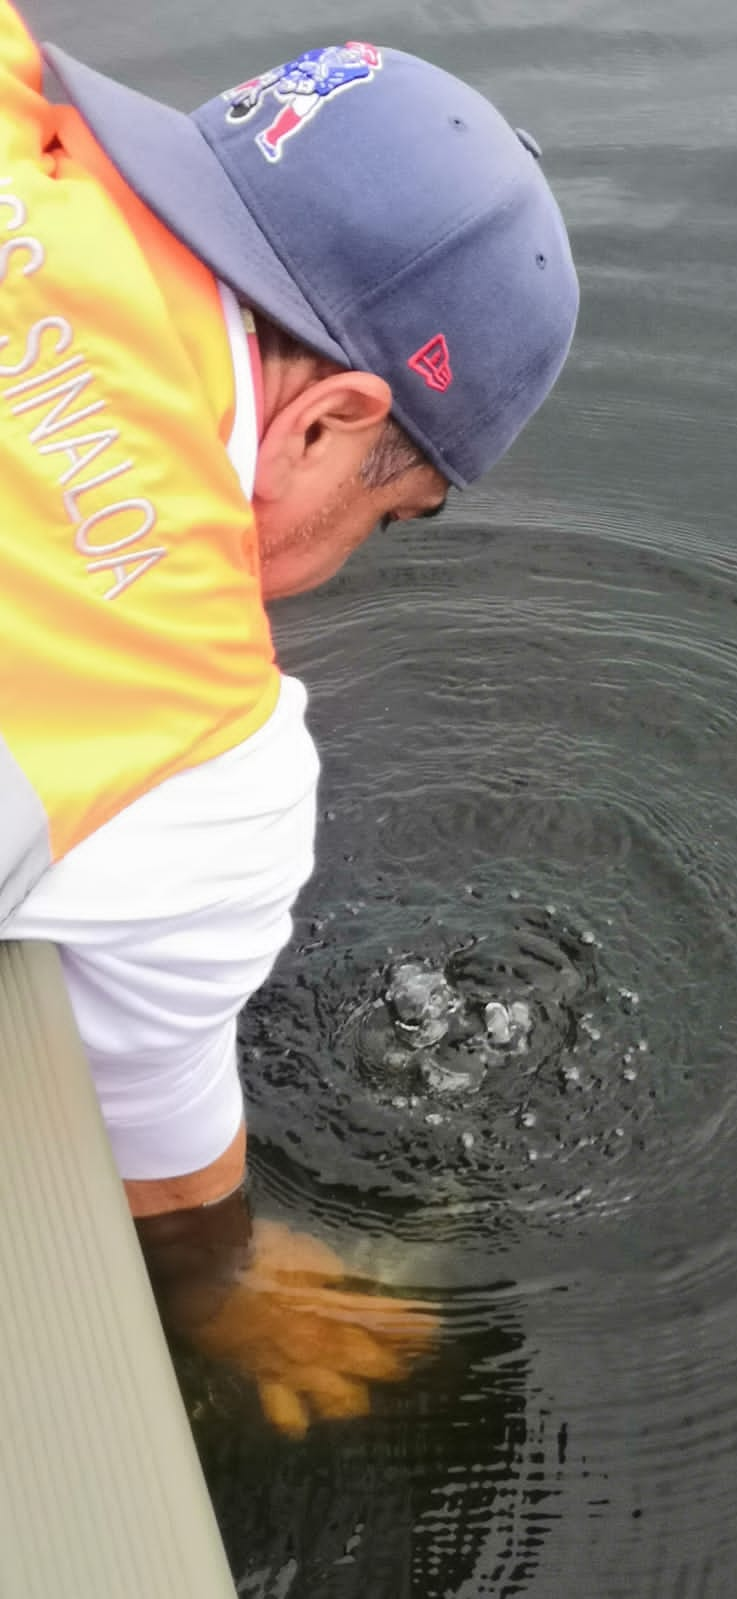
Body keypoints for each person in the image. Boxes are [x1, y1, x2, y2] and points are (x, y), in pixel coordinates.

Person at [0, 4, 578, 1435]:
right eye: (391, 513)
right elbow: (166, 1175)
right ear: (333, 420)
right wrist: (228, 1287)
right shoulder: (200, 745)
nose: (338, 563)